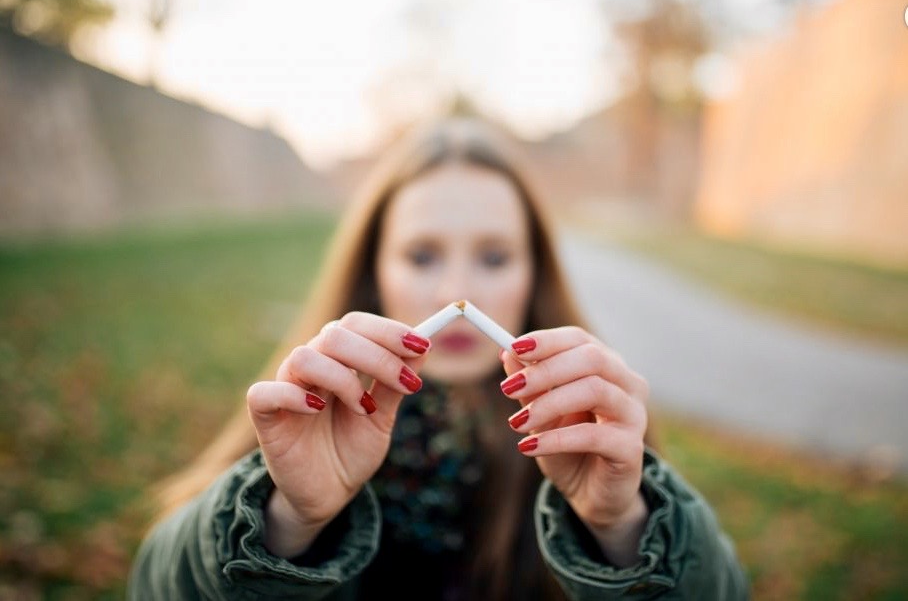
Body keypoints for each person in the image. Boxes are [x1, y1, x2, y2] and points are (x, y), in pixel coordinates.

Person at [128, 117, 749, 600]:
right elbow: (151, 588)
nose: (459, 291)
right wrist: (287, 518)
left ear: (534, 274)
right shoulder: (310, 417)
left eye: (495, 256)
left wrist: (622, 526)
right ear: (374, 271)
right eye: (422, 255)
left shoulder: (584, 432)